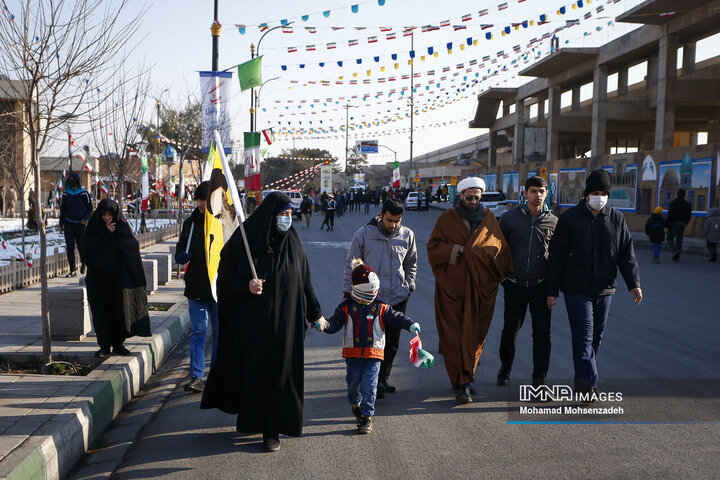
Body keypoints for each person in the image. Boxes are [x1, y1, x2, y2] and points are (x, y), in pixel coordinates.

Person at [200, 192, 324, 453]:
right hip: (255, 327)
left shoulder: (293, 243)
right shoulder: (246, 240)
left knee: (281, 377)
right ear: (270, 215)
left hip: (288, 326)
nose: (287, 220)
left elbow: (305, 281)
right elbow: (224, 279)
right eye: (283, 215)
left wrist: (315, 314)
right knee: (259, 376)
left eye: (290, 215)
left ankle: (273, 430)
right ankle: (257, 423)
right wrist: (246, 285)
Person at [546, 169, 642, 397]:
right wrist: (552, 291)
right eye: (595, 192)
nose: (599, 196)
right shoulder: (570, 219)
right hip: (576, 289)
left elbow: (626, 255)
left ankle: (584, 378)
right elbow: (557, 255)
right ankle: (586, 387)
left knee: (595, 339)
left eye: (603, 192)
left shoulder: (617, 218)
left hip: (605, 289)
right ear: (586, 194)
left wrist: (634, 283)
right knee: (583, 337)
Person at [427, 176, 513, 404]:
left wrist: (477, 253)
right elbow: (433, 248)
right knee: (453, 336)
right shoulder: (447, 219)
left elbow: (499, 249)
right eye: (469, 197)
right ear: (461, 196)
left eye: (477, 197)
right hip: (451, 289)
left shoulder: (489, 219)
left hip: (480, 288)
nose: (473, 201)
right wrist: (457, 250)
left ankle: (466, 375)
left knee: (475, 335)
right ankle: (461, 380)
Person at [316, 259, 420, 434]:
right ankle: (356, 403)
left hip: (374, 354)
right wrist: (324, 325)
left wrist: (410, 324)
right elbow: (334, 324)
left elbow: (397, 317)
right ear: (357, 290)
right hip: (353, 354)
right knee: (352, 385)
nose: (372, 294)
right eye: (369, 291)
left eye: (374, 291)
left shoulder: (381, 308)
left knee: (370, 386)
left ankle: (366, 416)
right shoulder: (346, 308)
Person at [343, 198, 417, 398]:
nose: (393, 225)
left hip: (398, 297)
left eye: (397, 221)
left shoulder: (407, 235)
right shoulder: (364, 234)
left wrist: (409, 285)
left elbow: (411, 263)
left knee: (392, 341)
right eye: (389, 220)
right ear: (381, 215)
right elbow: (352, 265)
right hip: (370, 299)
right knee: (371, 341)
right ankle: (370, 380)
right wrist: (347, 294)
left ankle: (383, 378)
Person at [497, 176, 557, 388]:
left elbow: (557, 259)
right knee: (510, 331)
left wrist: (553, 290)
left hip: (541, 287)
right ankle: (505, 368)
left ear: (546, 193)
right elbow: (498, 250)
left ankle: (539, 381)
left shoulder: (553, 222)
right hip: (515, 285)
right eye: (533, 191)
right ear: (525, 193)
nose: (537, 195)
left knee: (542, 335)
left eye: (541, 191)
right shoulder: (509, 219)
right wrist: (504, 279)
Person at [83, 199, 151, 358]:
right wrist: (106, 236)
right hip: (98, 280)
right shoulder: (93, 228)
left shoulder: (122, 227)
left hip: (118, 281)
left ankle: (118, 344)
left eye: (110, 214)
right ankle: (104, 346)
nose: (107, 218)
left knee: (119, 312)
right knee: (101, 314)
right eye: (104, 215)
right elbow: (89, 252)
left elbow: (131, 248)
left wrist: (116, 236)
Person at [174, 181, 218, 393]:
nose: (199, 204)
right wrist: (180, 256)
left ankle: (218, 376)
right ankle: (196, 377)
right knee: (199, 331)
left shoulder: (222, 222)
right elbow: (180, 249)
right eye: (198, 200)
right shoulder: (191, 223)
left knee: (219, 332)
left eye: (203, 200)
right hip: (196, 286)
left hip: (219, 288)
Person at [59, 172, 93, 277]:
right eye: (70, 179)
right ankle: (72, 269)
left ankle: (84, 263)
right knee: (70, 247)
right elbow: (62, 210)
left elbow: (90, 208)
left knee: (81, 246)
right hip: (68, 223)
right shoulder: (66, 194)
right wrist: (61, 225)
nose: (72, 181)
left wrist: (85, 219)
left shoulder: (84, 193)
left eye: (74, 179)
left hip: (80, 224)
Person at [666, 188, 692, 262]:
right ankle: (677, 256)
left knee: (669, 239)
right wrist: (685, 222)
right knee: (679, 240)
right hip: (682, 223)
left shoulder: (673, 203)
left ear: (677, 194)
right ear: (684, 194)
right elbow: (689, 215)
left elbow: (670, 214)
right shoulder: (687, 204)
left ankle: (675, 251)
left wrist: (668, 223)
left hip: (673, 223)